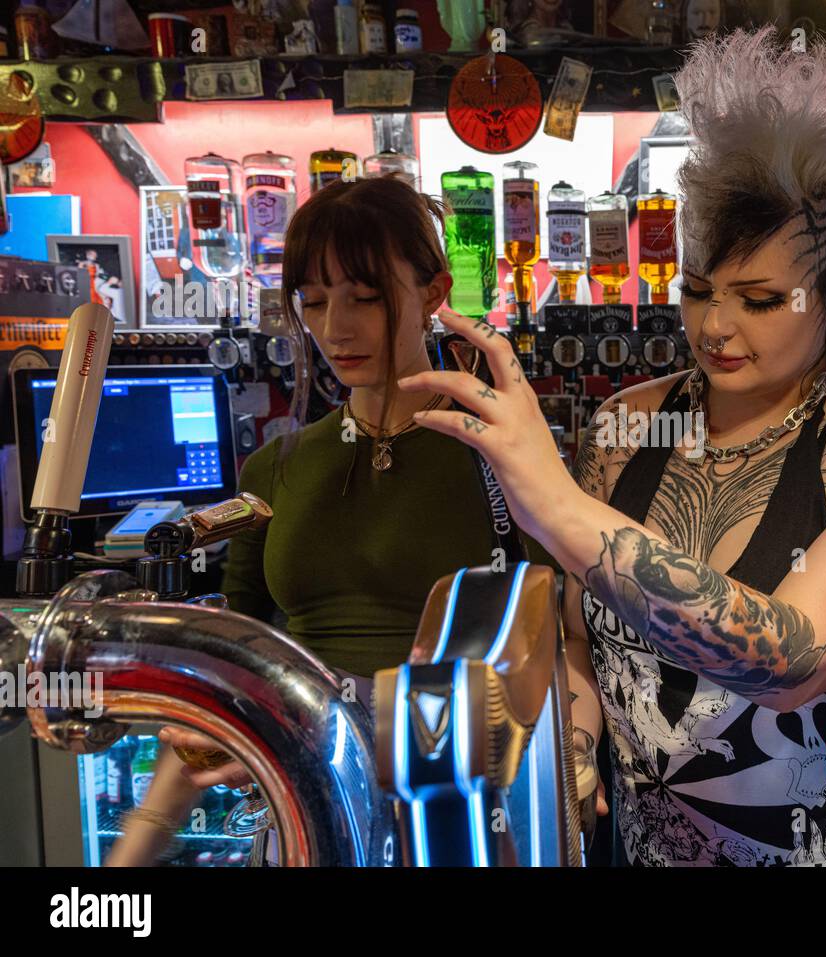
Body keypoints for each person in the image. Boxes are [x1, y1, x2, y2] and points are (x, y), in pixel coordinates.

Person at [401, 28, 826, 866]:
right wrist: (574, 744)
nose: (715, 326)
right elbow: (581, 639)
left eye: (762, 298)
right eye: (699, 290)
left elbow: (791, 659)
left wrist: (556, 504)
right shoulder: (627, 425)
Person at [108, 176, 558, 866]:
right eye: (313, 301)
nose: (334, 328)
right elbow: (237, 667)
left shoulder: (500, 457)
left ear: (433, 295)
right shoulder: (277, 469)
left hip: (457, 819)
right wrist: (130, 855)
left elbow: (562, 645)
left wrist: (577, 755)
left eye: (365, 297)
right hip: (307, 817)